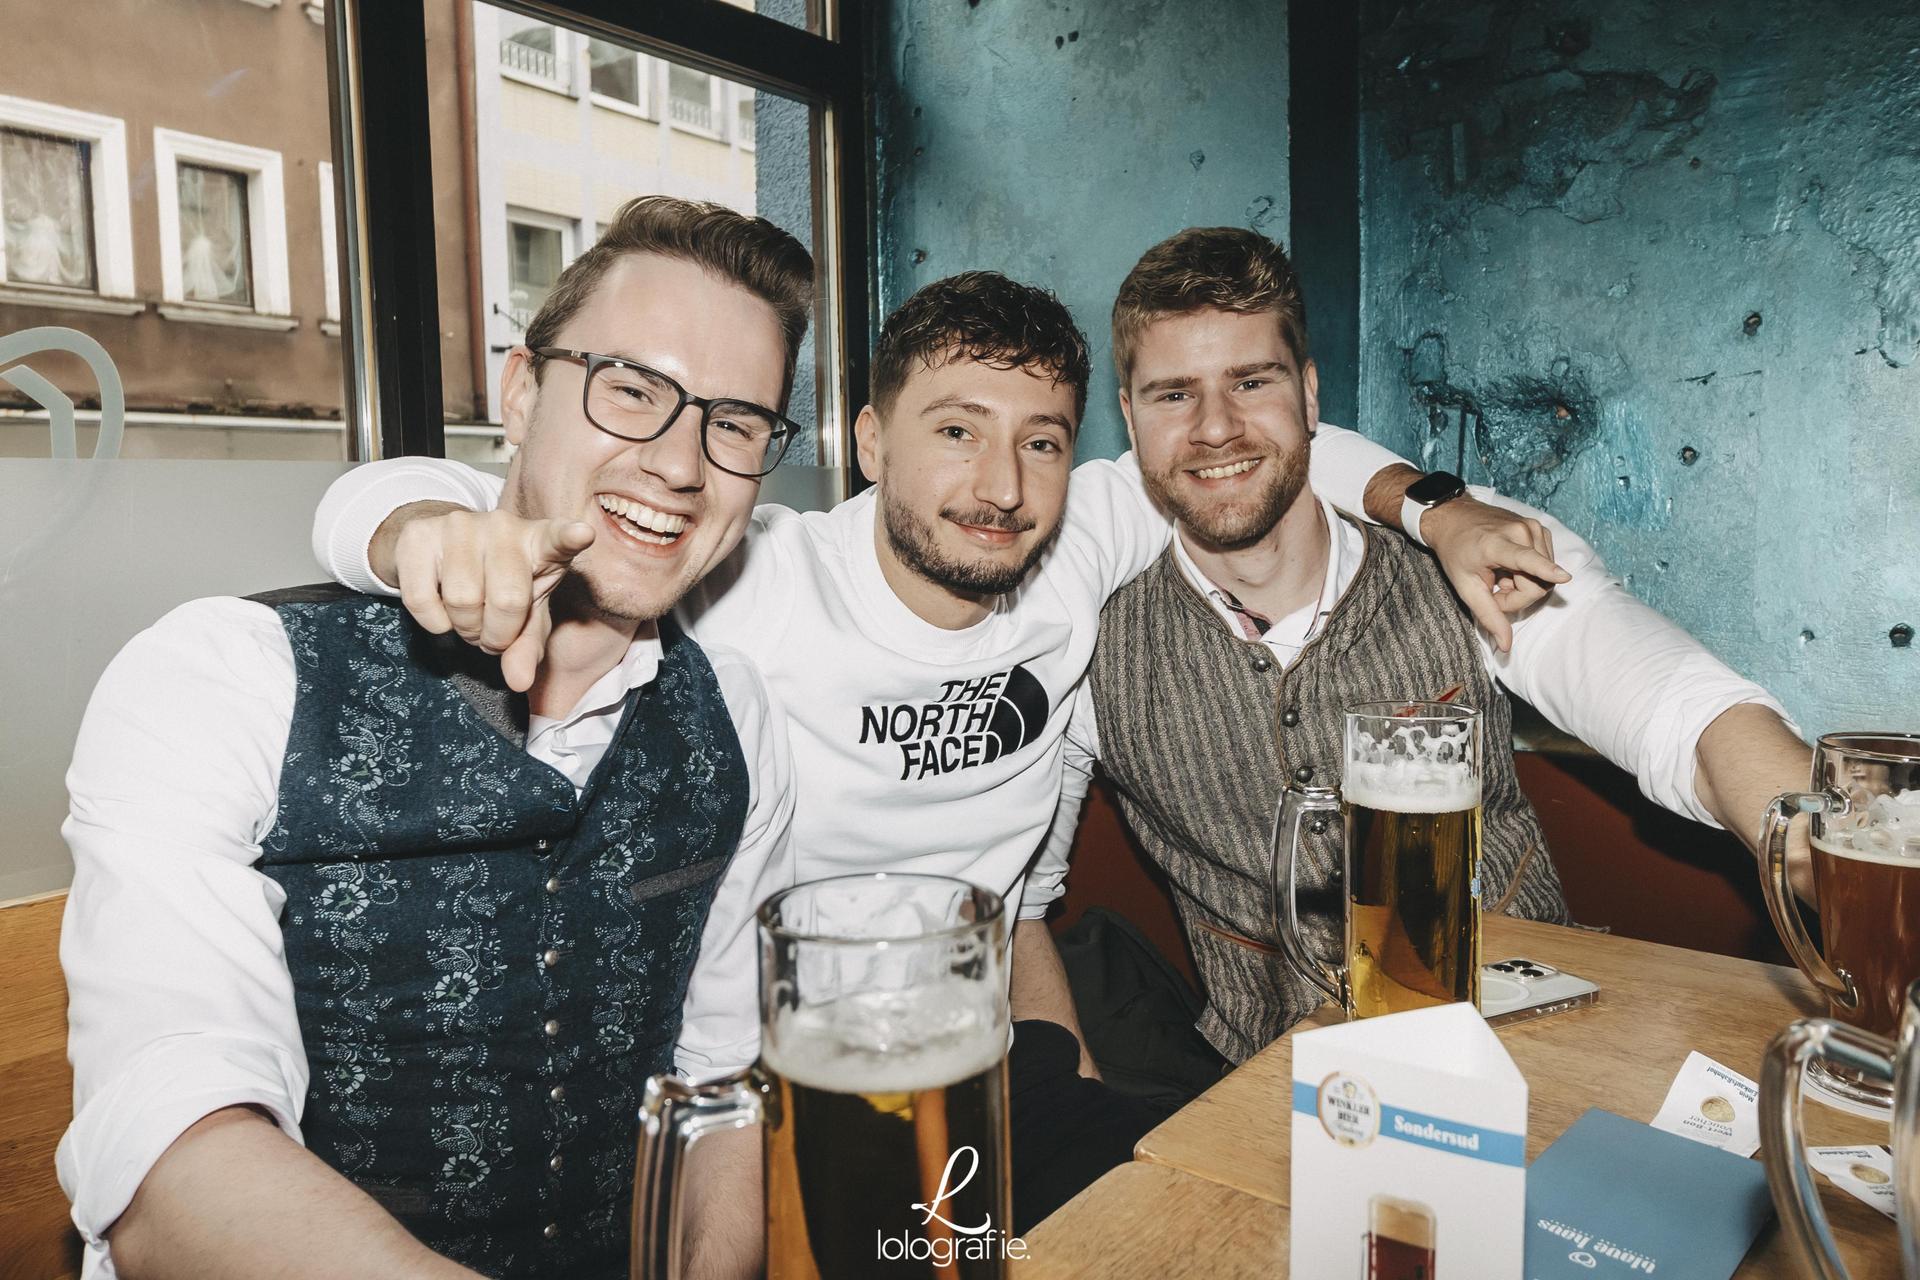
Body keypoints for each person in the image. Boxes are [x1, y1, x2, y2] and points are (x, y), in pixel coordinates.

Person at [307, 266, 1557, 1227]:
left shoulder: (1078, 540)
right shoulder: (752, 575)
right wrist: (409, 521)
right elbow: (478, 503)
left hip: (996, 1067)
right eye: (954, 429)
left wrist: (1435, 510)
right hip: (780, 1082)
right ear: (866, 441)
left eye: (1043, 439)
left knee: (1251, 1210)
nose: (1001, 483)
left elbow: (1268, 439)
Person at [57, 197, 805, 1280]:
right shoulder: (224, 677)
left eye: (733, 422)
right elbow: (169, 1153)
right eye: (633, 390)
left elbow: (723, 1084)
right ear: (518, 391)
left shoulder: (738, 718)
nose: (682, 464)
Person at [1039, 225, 1814, 1066]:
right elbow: (1018, 900)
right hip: (1264, 1090)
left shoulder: (1473, 561)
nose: (1215, 428)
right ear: (1128, 417)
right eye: (1173, 395)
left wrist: (1821, 849)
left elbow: (1683, 713)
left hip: (1531, 1052)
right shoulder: (1088, 643)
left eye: (1251, 381)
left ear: (1308, 394)